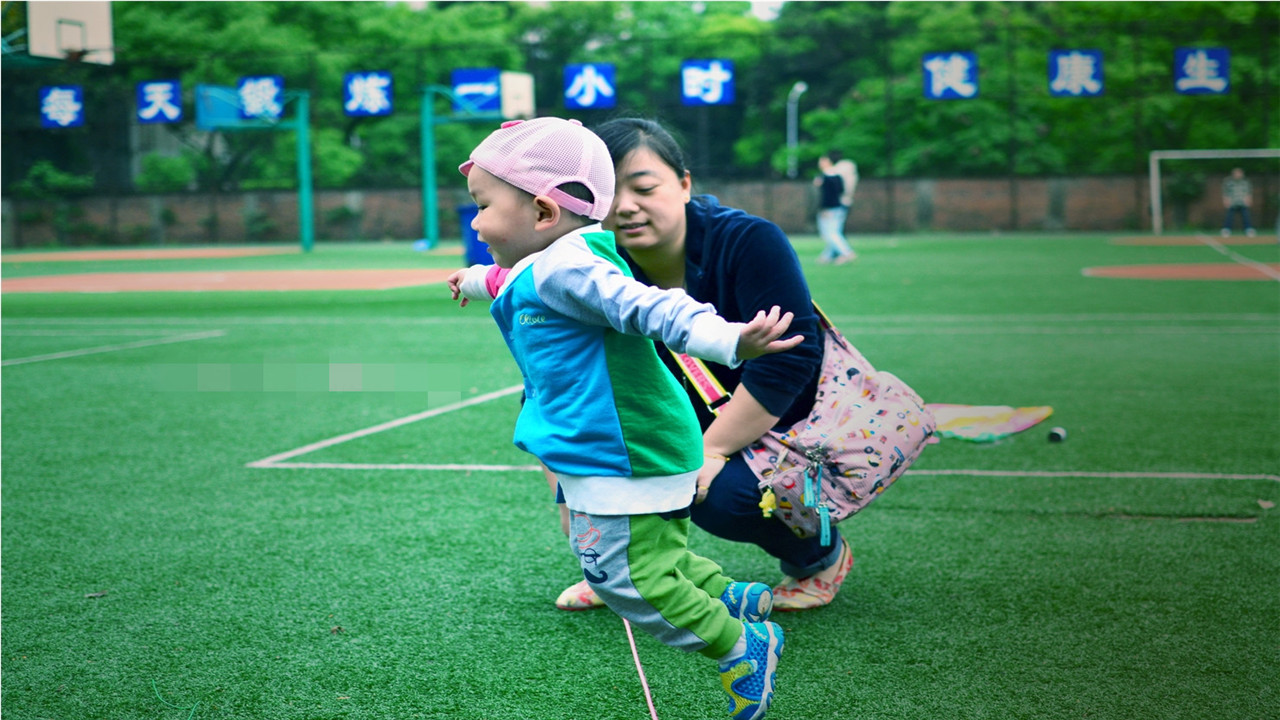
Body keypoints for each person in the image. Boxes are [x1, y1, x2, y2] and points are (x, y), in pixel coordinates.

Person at [446, 117, 796, 720]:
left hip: (626, 448)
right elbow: (510, 277)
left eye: (482, 206)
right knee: (656, 553)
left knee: (622, 579)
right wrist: (474, 279)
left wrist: (732, 339)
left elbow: (652, 308)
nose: (474, 221)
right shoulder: (547, 262)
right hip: (605, 444)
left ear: (543, 212)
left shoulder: (572, 269)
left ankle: (741, 644)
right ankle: (729, 594)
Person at [552, 117, 855, 615]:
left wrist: (713, 450)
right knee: (608, 466)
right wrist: (568, 493)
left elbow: (790, 359)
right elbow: (557, 378)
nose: (626, 207)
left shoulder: (748, 240)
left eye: (644, 187)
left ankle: (819, 556)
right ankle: (627, 570)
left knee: (720, 495)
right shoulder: (587, 267)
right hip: (669, 416)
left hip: (777, 421)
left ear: (685, 184)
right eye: (608, 194)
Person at [813, 150, 857, 264]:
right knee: (834, 232)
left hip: (830, 208)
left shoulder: (826, 177)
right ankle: (827, 256)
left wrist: (825, 208)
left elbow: (828, 195)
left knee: (830, 233)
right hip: (839, 207)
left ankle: (847, 253)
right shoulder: (838, 177)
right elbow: (841, 191)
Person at [1221, 167, 1256, 237]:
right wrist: (1226, 200)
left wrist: (1249, 200)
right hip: (1232, 203)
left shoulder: (1245, 182)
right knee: (1229, 217)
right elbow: (1225, 192)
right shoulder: (1229, 182)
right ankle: (1226, 230)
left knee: (1246, 216)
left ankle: (1248, 230)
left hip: (1242, 203)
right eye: (1236, 173)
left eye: (1239, 173)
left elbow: (1249, 192)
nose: (1238, 175)